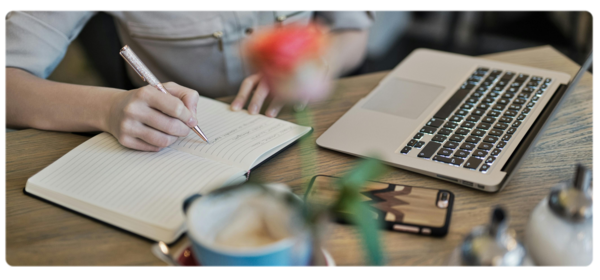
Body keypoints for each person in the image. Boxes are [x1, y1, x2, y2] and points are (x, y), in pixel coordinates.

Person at [4, 8, 373, 151]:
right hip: (178, 147)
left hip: (310, 129)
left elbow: (353, 32)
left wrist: (322, 60)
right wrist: (109, 107)